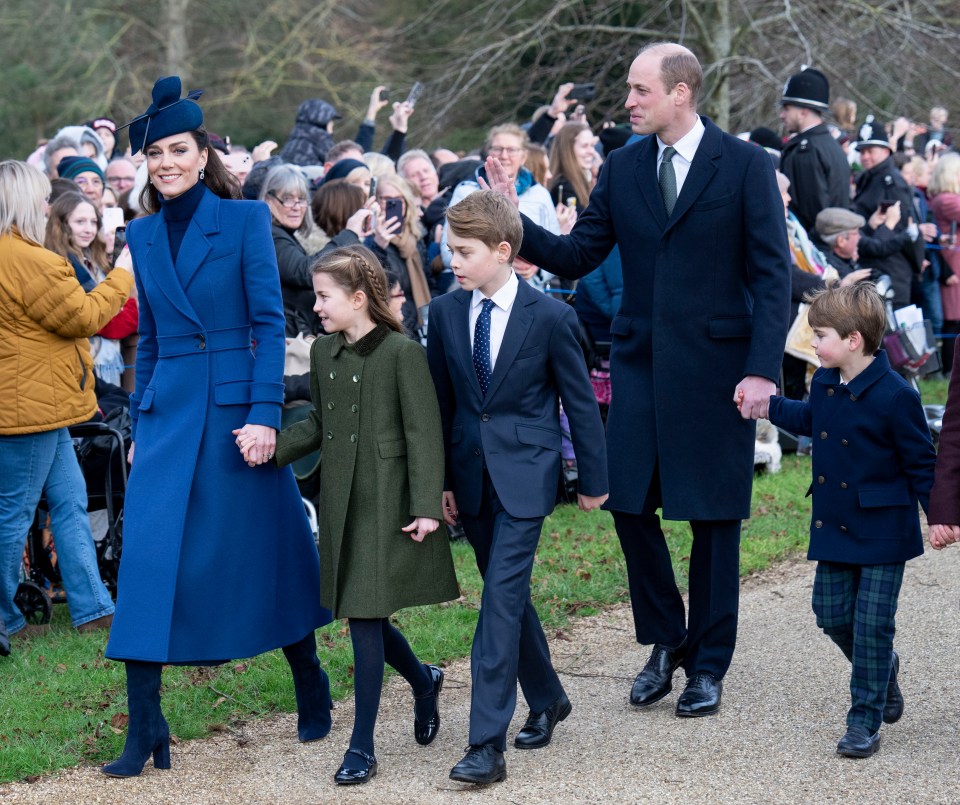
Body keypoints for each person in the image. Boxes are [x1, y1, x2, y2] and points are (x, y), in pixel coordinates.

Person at [485, 42, 790, 717]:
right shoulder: (623, 168)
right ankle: (666, 638)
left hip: (719, 374)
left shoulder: (743, 166)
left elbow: (774, 280)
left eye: (639, 89)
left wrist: (763, 370)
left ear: (681, 92)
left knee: (714, 520)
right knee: (627, 503)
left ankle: (708, 665)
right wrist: (512, 218)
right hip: (641, 367)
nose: (628, 102)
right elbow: (577, 251)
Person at [102, 76, 332, 778]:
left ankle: (309, 676)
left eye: (179, 149)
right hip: (169, 416)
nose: (166, 161)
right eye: (155, 153)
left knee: (273, 549)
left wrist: (265, 416)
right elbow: (161, 340)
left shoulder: (242, 223)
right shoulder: (139, 234)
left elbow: (268, 323)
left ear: (203, 154)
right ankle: (146, 725)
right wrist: (142, 421)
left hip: (238, 417)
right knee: (144, 561)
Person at [427, 191, 607, 785]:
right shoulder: (447, 313)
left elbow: (580, 405)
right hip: (472, 482)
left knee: (497, 603)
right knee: (510, 600)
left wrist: (592, 481)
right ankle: (550, 697)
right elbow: (444, 407)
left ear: (504, 251)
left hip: (528, 478)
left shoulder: (552, 317)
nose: (452, 260)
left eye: (464, 251)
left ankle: (486, 744)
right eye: (449, 248)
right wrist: (444, 484)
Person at [274, 244, 458, 784]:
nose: (316, 306)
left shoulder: (402, 353)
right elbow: (319, 426)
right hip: (343, 501)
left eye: (325, 296)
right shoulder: (323, 353)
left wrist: (427, 507)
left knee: (367, 616)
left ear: (358, 299)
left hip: (390, 500)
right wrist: (271, 449)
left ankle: (362, 744)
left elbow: (425, 435)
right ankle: (424, 680)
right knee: (362, 610)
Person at [765, 283, 935, 758]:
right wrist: (767, 406)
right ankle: (882, 668)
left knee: (872, 625)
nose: (813, 344)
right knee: (832, 616)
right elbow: (812, 418)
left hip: (884, 529)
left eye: (819, 335)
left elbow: (923, 463)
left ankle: (864, 719)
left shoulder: (897, 395)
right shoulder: (825, 380)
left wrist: (939, 515)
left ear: (853, 339)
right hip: (836, 523)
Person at [0, 160, 132, 643]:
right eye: (39, 197)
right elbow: (84, 316)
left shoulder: (18, 253)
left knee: (71, 502)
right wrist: (124, 271)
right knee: (12, 514)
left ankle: (93, 606)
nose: (45, 206)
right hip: (27, 408)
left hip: (41, 403)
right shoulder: (26, 258)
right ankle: (6, 617)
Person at [259, 163, 366, 337]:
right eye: (287, 198)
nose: (296, 206)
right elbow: (305, 271)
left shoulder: (283, 234)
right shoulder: (270, 236)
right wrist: (350, 233)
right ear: (269, 200)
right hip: (288, 340)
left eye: (301, 199)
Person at [44, 193, 138, 386]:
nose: (88, 229)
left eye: (93, 222)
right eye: (80, 222)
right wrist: (128, 306)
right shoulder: (58, 266)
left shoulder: (95, 260)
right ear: (61, 224)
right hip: (83, 367)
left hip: (109, 363)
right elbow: (106, 323)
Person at [778, 67, 851, 232]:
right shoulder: (828, 144)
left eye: (787, 108)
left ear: (803, 113)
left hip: (813, 245)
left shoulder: (807, 150)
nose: (782, 115)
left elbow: (811, 212)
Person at [927, 153, 960, 370]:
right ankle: (949, 368)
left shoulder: (942, 198)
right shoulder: (948, 200)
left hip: (953, 262)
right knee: (953, 320)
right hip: (953, 265)